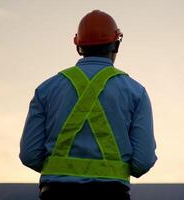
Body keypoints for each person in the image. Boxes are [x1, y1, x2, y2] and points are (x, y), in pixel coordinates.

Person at [19, 10, 157, 200]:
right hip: (111, 194)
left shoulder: (46, 89)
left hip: (56, 193)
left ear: (78, 46)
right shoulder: (136, 92)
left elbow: (29, 155)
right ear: (116, 44)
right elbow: (143, 162)